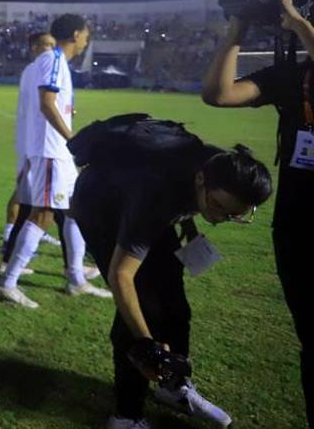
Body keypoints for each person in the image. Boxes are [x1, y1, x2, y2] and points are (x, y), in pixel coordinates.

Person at [68, 114, 273, 429]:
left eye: (234, 214)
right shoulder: (157, 194)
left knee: (175, 304)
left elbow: (189, 200)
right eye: (218, 207)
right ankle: (126, 416)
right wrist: (147, 344)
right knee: (143, 309)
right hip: (101, 207)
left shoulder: (221, 166)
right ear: (202, 181)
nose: (219, 218)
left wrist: (190, 229)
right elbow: (120, 277)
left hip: (145, 202)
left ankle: (173, 386)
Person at [201, 0, 314, 427]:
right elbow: (218, 93)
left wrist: (300, 24)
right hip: (299, 222)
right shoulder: (294, 75)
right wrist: (238, 28)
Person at [0, 14, 111, 307]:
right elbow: (47, 104)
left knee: (74, 210)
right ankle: (7, 283)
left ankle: (76, 279)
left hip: (55, 151)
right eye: (86, 34)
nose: (87, 39)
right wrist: (73, 139)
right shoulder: (54, 60)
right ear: (75, 34)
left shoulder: (53, 62)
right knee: (42, 215)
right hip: (50, 150)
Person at [0, 31, 62, 268]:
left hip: (36, 145)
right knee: (29, 201)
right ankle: (9, 253)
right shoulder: (35, 71)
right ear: (33, 47)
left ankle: (16, 248)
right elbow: (42, 106)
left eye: (53, 45)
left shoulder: (35, 70)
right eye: (46, 44)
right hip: (36, 146)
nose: (50, 49)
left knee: (34, 202)